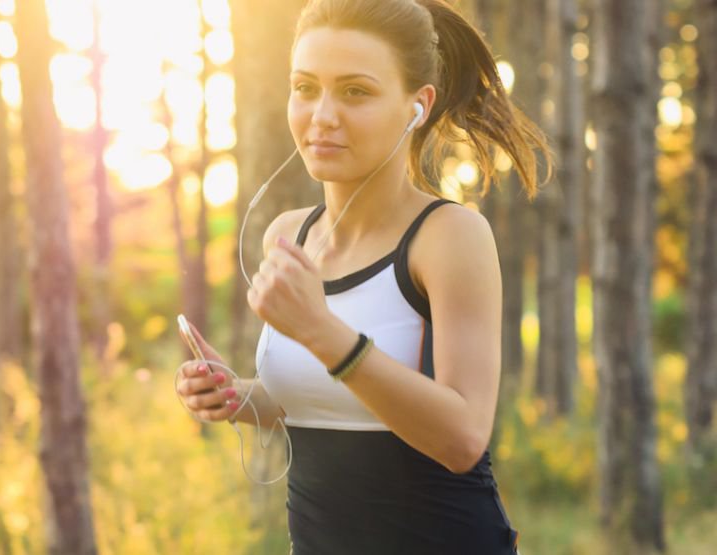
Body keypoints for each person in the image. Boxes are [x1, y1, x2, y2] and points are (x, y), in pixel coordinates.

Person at [175, 0, 550, 553]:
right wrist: (237, 396)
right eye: (305, 87)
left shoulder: (449, 236)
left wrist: (324, 334)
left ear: (417, 106)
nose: (322, 115)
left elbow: (463, 437)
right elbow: (315, 401)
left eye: (355, 91)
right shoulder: (286, 234)